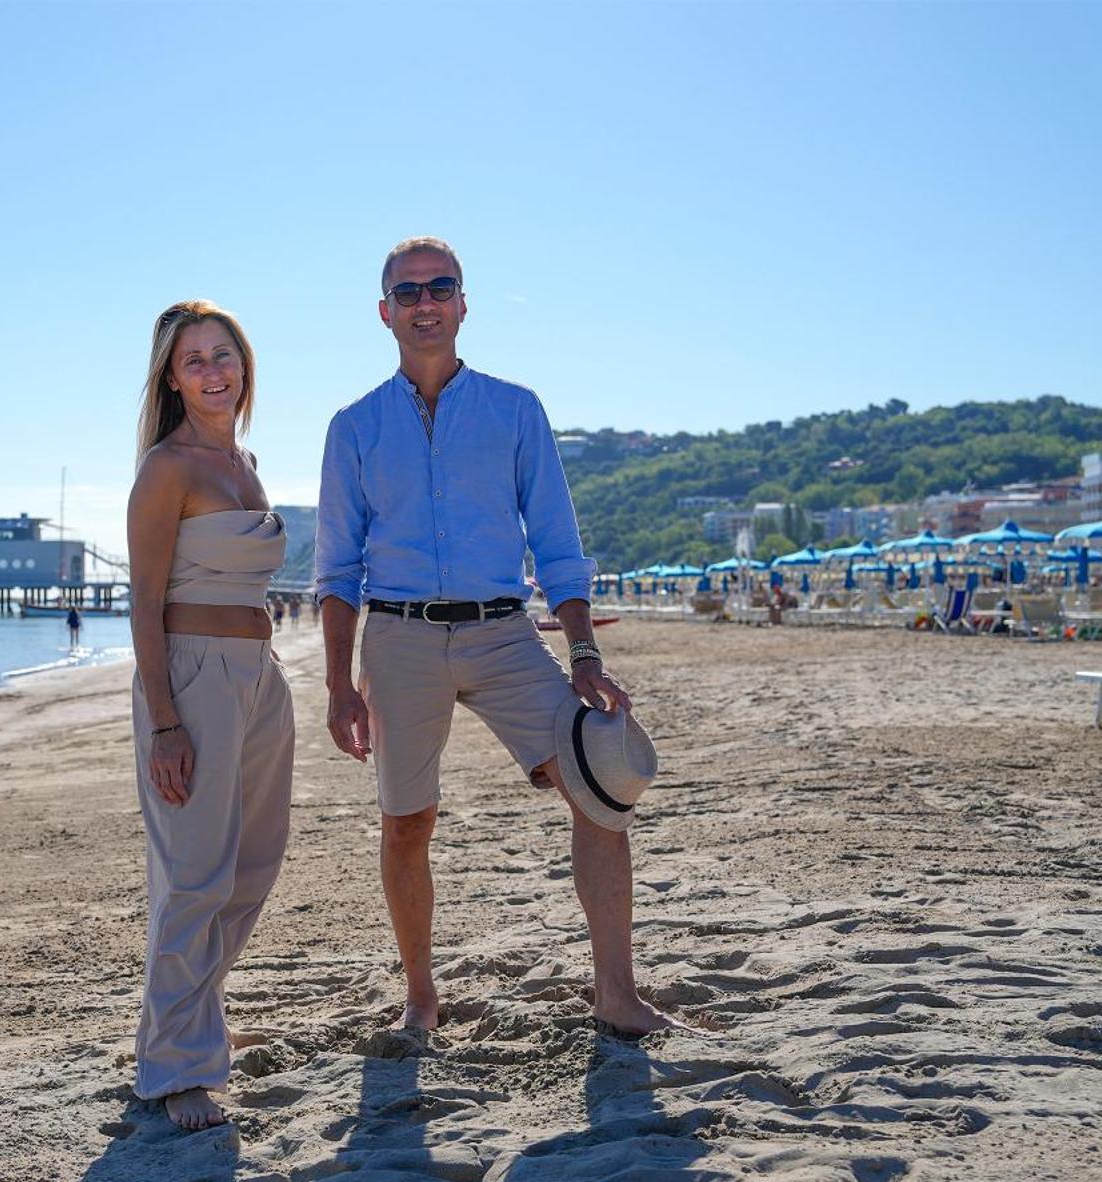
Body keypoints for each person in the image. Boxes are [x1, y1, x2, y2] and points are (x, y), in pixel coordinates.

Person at [314, 236, 688, 1041]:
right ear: (385, 313)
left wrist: (585, 650)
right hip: (399, 639)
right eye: (407, 292)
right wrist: (338, 685)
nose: (424, 303)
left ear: (463, 302)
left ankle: (616, 995)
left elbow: (556, 540)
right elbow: (338, 569)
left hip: (503, 632)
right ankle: (421, 998)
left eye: (439, 287)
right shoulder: (352, 428)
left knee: (601, 791)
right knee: (407, 822)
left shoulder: (516, 410)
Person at [128, 299, 293, 1130]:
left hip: (260, 677)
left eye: (223, 354)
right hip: (192, 677)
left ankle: (190, 1017)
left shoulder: (246, 462)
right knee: (194, 873)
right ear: (170, 376)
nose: (213, 370)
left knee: (254, 862)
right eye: (193, 359)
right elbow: (144, 601)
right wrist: (165, 720)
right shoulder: (169, 468)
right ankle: (174, 1067)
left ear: (245, 362)